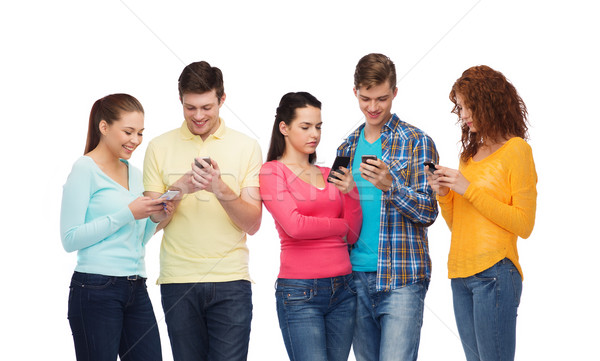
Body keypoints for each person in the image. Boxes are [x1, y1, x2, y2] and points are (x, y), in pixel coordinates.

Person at [143, 61, 262, 361]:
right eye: (190, 107)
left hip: (231, 281)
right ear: (180, 101)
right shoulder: (159, 146)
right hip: (178, 281)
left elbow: (252, 223)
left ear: (222, 100)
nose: (198, 116)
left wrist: (219, 189)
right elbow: (153, 221)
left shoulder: (247, 146)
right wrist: (180, 188)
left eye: (207, 107)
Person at [427, 65, 537, 361]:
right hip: (460, 275)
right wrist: (445, 194)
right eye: (460, 108)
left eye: (468, 106)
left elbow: (524, 225)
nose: (463, 115)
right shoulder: (468, 157)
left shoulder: (517, 151)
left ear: (488, 102)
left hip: (496, 273)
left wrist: (469, 189)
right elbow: (461, 225)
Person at [336, 53, 439, 361]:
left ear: (394, 92)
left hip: (402, 278)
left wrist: (390, 186)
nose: (373, 107)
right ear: (355, 92)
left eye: (381, 98)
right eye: (366, 98)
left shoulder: (419, 141)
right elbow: (339, 213)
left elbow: (429, 211)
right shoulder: (346, 147)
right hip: (354, 279)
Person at [61, 93, 172, 361]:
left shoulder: (135, 174)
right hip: (95, 289)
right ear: (104, 127)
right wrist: (127, 213)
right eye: (129, 131)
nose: (136, 140)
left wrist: (158, 218)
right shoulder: (84, 169)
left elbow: (137, 237)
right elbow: (70, 238)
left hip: (136, 287)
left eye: (141, 133)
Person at [259, 92, 363, 361]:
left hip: (344, 289)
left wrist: (350, 192)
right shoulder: (272, 172)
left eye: (318, 127)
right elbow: (295, 226)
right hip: (300, 292)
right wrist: (338, 225)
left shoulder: (331, 174)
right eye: (305, 127)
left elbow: (352, 233)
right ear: (284, 127)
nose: (314, 134)